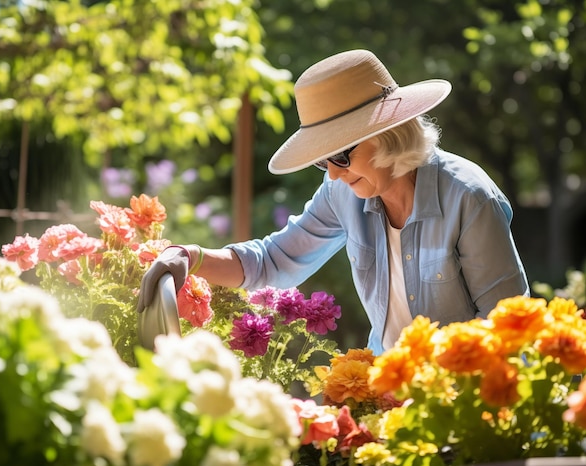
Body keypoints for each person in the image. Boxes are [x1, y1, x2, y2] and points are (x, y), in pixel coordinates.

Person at [137, 49, 530, 355]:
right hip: (389, 395)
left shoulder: (470, 198)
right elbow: (272, 261)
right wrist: (190, 256)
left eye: (340, 155)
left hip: (464, 403)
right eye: (322, 160)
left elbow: (508, 326)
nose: (333, 173)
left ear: (388, 134)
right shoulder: (343, 192)